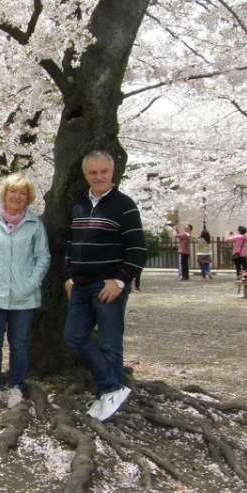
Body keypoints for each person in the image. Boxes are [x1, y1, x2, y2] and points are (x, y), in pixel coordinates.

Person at [64, 150, 147, 422]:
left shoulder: (124, 205)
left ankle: (107, 393)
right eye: (93, 172)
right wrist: (69, 275)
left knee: (111, 343)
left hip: (108, 284)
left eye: (103, 172)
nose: (98, 177)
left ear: (112, 173)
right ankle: (112, 387)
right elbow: (71, 243)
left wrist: (120, 280)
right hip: (80, 285)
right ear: (85, 174)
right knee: (74, 337)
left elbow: (137, 250)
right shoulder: (78, 204)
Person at [0, 173, 50, 410]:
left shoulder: (35, 225)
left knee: (19, 344)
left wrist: (29, 284)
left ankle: (16, 387)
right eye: (12, 192)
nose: (16, 196)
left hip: (24, 297)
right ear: (5, 194)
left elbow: (43, 258)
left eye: (22, 193)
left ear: (28, 198)